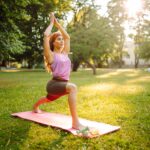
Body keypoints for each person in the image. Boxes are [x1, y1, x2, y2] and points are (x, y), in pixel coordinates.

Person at [32, 13, 87, 131]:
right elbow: (46, 35)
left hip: (61, 84)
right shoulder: (50, 55)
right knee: (73, 88)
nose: (62, 41)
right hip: (54, 84)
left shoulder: (65, 53)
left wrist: (58, 25)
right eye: (59, 39)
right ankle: (75, 123)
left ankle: (35, 106)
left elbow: (67, 37)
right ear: (53, 43)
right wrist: (52, 23)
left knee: (48, 99)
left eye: (62, 39)